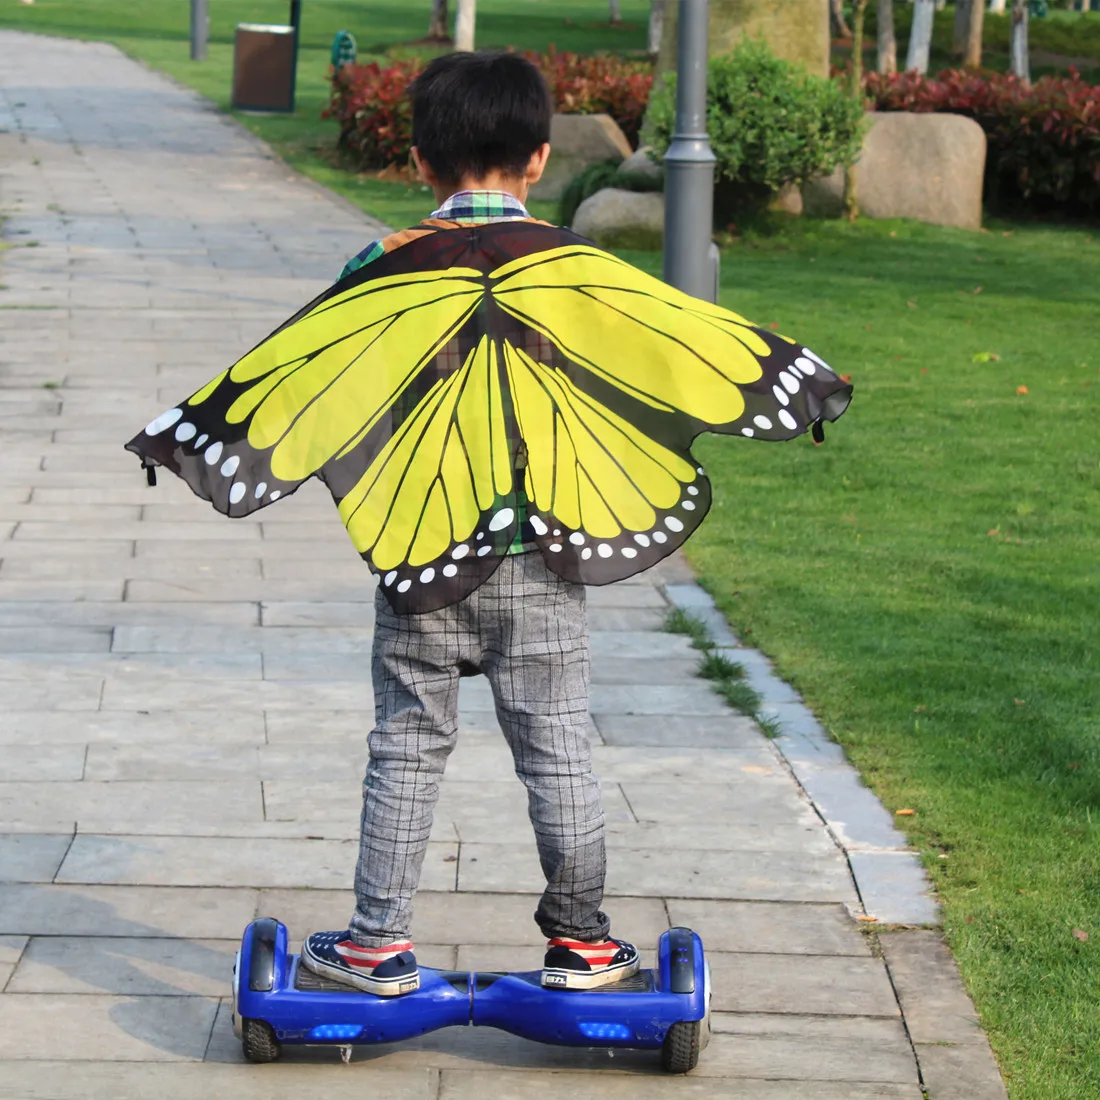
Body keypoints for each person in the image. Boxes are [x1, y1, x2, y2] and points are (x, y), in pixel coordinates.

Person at [299, 51, 641, 997]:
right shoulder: (576, 272)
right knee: (560, 744)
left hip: (422, 551)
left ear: (418, 160)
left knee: (407, 744)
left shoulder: (378, 267)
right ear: (539, 160)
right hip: (544, 558)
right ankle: (582, 944)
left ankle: (375, 944)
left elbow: (333, 391)